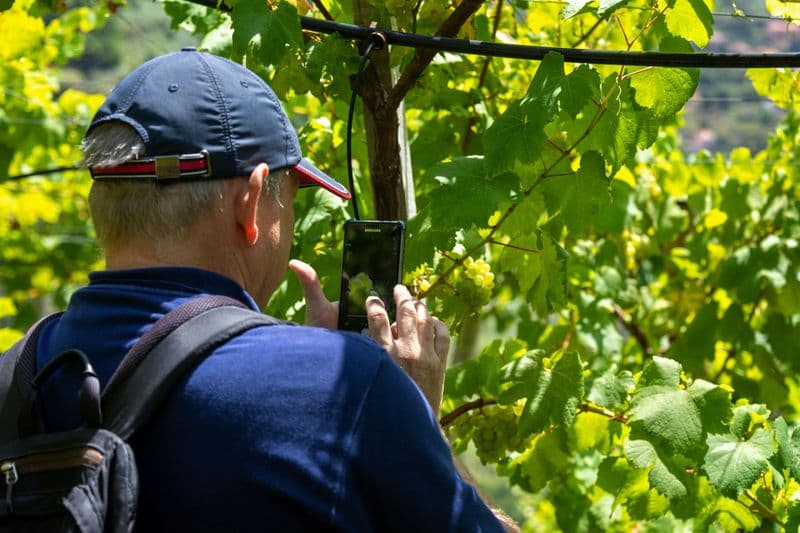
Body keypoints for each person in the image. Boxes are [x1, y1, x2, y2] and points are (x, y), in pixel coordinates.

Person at [31, 48, 513, 531]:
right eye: (291, 198)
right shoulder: (343, 388)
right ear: (252, 199)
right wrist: (410, 414)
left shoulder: (16, 376)